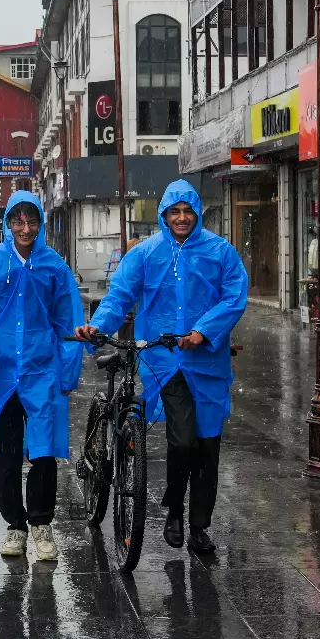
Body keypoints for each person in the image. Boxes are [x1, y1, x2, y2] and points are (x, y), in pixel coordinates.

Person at [76, 180, 247, 554]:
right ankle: (173, 507)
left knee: (207, 447)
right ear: (164, 215)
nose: (181, 218)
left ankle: (199, 525)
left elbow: (235, 297)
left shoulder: (221, 252)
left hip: (208, 366)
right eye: (175, 212)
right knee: (182, 439)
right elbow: (120, 294)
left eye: (187, 211)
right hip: (165, 364)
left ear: (197, 214)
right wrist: (99, 327)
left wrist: (203, 331)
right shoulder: (146, 254)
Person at [0, 192, 85, 562]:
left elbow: (68, 322)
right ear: (7, 222)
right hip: (1, 376)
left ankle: (41, 523)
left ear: (40, 223)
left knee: (44, 451)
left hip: (41, 371)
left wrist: (67, 372)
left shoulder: (54, 267)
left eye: (31, 221)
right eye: (17, 221)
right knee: (6, 454)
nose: (25, 228)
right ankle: (15, 526)